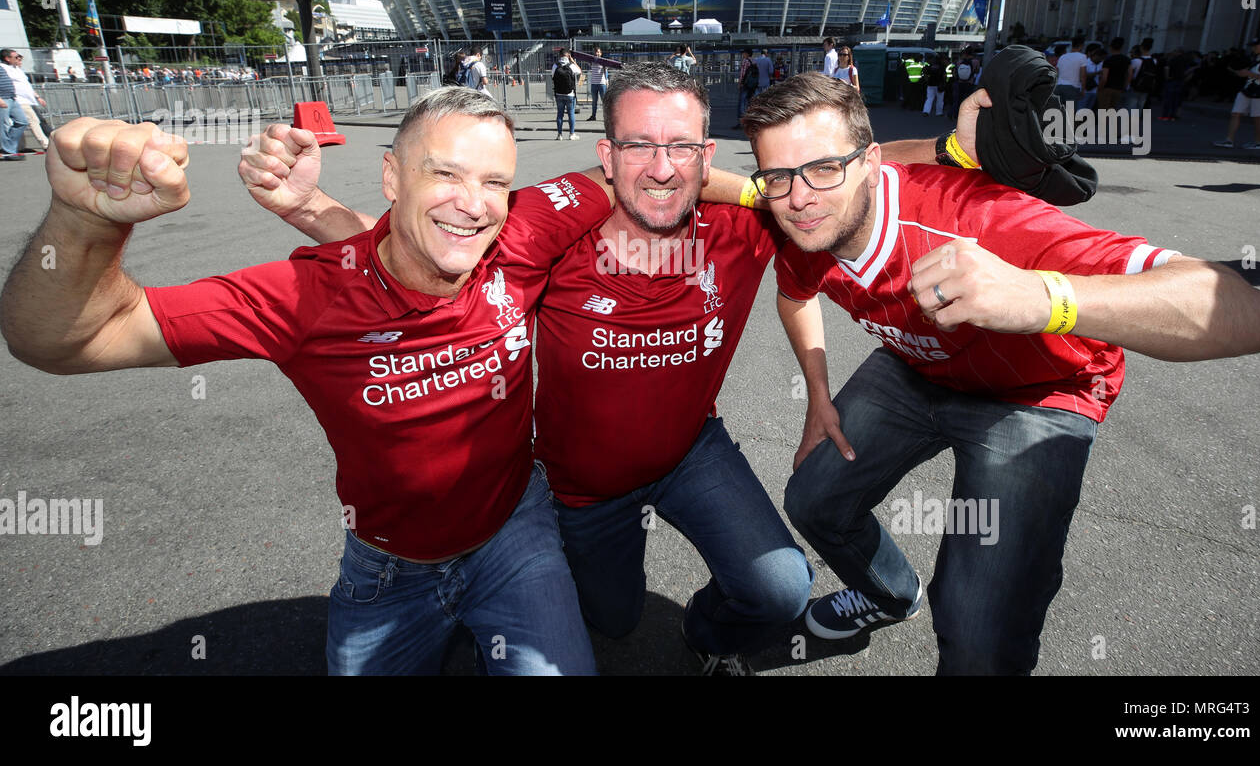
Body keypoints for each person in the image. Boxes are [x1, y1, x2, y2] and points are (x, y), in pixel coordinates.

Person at [239, 64, 1002, 675]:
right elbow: (427, 254)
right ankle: (489, 617)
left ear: (708, 156)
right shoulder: (553, 224)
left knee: (780, 589)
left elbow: (835, 177)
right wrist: (312, 210)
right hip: (582, 487)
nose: (662, 168)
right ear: (607, 156)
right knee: (614, 619)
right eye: (638, 145)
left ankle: (707, 637)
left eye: (682, 149)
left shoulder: (752, 219)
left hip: (692, 451)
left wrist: (951, 150)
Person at [0, 89, 622, 676]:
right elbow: (65, 340)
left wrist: (308, 206)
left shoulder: (522, 240)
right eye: (446, 173)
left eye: (495, 183)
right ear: (391, 177)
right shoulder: (305, 298)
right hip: (390, 573)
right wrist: (85, 223)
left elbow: (642, 168)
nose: (475, 203)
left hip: (517, 531)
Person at [739, 72, 1260, 675]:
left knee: (978, 625)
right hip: (919, 364)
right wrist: (817, 396)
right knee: (814, 499)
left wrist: (1039, 297)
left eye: (823, 169)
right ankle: (887, 595)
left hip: (1041, 392)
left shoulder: (984, 221)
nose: (800, 198)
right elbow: (793, 292)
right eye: (778, 178)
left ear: (870, 163)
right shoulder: (798, 222)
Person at [1214, 35, 1260, 151]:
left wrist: (1248, 74)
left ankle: (1257, 142)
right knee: (1235, 113)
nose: (1253, 48)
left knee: (1257, 117)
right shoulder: (1256, 56)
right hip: (1247, 89)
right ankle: (1229, 140)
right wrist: (1242, 73)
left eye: (1256, 46)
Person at [1, 49, 50, 153]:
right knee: (33, 120)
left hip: (18, 99)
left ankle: (18, 147)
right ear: (7, 59)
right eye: (16, 57)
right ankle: (45, 144)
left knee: (21, 123)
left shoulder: (17, 69)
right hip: (17, 99)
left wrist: (37, 97)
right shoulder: (3, 68)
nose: (18, 59)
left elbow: (26, 85)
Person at [0, 57, 30, 161]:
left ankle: (9, 148)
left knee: (22, 122)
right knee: (2, 127)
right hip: (2, 99)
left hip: (11, 98)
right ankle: (8, 151)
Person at [551, 49, 583, 140]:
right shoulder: (572, 66)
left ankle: (559, 135)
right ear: (568, 56)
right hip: (570, 94)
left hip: (558, 93)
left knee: (560, 114)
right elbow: (580, 71)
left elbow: (552, 76)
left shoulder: (555, 65)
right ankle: (571, 134)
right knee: (571, 114)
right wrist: (573, 62)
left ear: (560, 55)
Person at [1095, 37, 1131, 113]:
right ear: (1121, 47)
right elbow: (1130, 74)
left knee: (1103, 111)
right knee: (1113, 111)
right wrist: (1125, 86)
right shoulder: (1127, 59)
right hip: (1119, 88)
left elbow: (1104, 77)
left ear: (1111, 47)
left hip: (1107, 88)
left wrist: (1099, 88)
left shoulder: (1108, 60)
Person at [1053, 36, 1088, 104]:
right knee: (1070, 112)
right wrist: (1083, 90)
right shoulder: (1082, 57)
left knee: (1058, 111)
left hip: (1058, 86)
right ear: (1081, 45)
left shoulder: (1062, 57)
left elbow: (1056, 72)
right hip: (1072, 88)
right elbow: (1083, 75)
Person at [732, 48, 756, 127]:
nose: (742, 55)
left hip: (745, 85)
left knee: (741, 102)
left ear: (747, 54)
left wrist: (740, 83)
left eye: (744, 53)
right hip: (752, 85)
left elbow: (743, 73)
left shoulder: (745, 61)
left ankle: (741, 122)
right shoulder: (754, 61)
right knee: (749, 102)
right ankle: (750, 120)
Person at [586, 47, 609, 120]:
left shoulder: (604, 61)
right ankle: (593, 116)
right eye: (596, 52)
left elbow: (606, 71)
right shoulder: (591, 61)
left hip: (602, 83)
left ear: (601, 53)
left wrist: (607, 80)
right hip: (594, 83)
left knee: (604, 101)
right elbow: (587, 62)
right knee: (594, 101)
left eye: (598, 52)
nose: (597, 53)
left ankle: (606, 117)